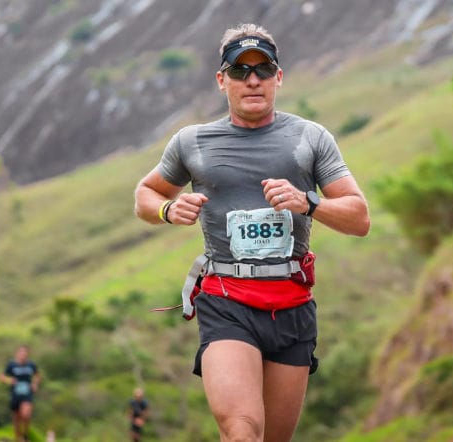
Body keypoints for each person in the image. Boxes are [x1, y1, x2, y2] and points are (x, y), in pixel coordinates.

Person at [134, 23, 370, 442]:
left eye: (263, 68)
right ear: (221, 80)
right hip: (227, 303)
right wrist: (169, 209)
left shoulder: (310, 138)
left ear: (279, 76)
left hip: (292, 304)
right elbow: (145, 194)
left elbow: (359, 218)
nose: (253, 79)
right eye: (240, 70)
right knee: (242, 431)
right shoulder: (192, 142)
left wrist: (308, 202)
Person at [0, 344, 40, 442]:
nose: (23, 355)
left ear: (27, 354)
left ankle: (25, 434)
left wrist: (34, 384)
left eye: (25, 353)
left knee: (26, 414)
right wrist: (9, 380)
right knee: (16, 418)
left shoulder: (31, 365)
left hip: (27, 393)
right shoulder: (11, 365)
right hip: (15, 394)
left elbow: (37, 375)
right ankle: (18, 438)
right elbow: (1, 377)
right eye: (21, 353)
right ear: (17, 354)